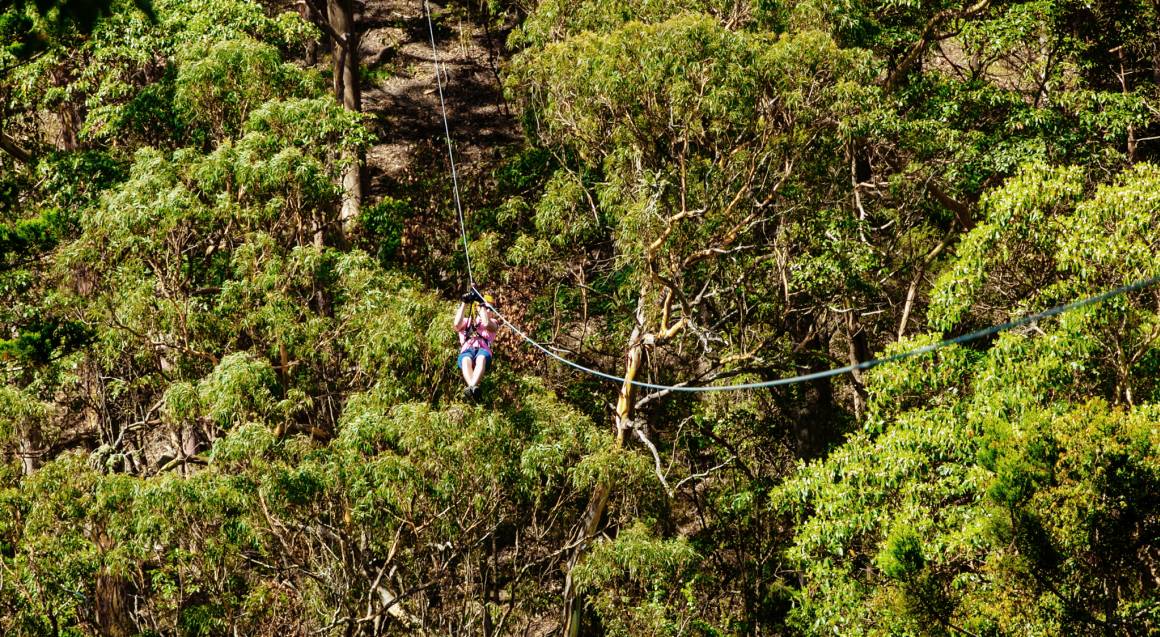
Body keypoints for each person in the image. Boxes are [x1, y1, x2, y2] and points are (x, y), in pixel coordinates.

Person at [453, 290, 498, 399]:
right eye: (487, 308)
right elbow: (456, 324)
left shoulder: (494, 323)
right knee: (465, 360)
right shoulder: (468, 321)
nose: (488, 310)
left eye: (490, 309)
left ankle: (472, 386)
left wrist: (481, 306)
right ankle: (472, 387)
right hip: (468, 348)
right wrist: (464, 303)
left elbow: (487, 323)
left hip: (483, 349)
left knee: (481, 358)